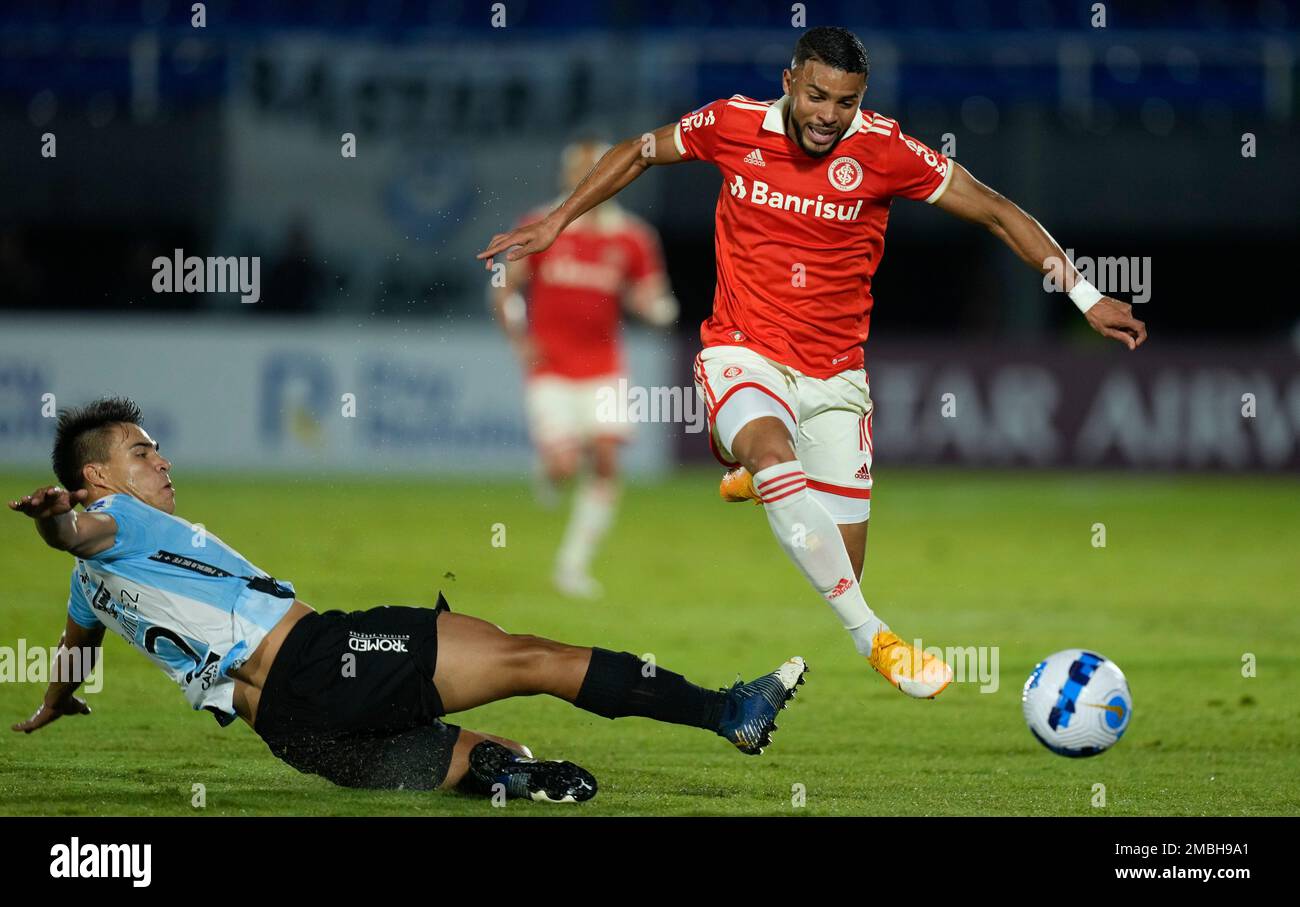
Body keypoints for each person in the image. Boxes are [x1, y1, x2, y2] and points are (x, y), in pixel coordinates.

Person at [478, 26, 1147, 699]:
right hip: (744, 350)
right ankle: (875, 636)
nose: (830, 115)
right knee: (775, 458)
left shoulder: (885, 150)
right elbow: (639, 151)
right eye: (819, 95)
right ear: (790, 80)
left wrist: (1085, 294)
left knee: (838, 560)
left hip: (836, 375)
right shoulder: (731, 123)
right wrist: (559, 220)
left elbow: (998, 211)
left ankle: (753, 468)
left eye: (847, 102)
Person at [9, 397, 807, 803]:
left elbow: (77, 638)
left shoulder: (94, 581)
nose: (163, 462)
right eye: (144, 452)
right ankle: (726, 712)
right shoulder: (120, 521)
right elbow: (79, 532)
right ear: (101, 479)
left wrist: (55, 701)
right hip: (321, 662)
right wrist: (59, 518)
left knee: (494, 749)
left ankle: (509, 779)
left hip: (293, 738)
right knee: (532, 657)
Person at [490, 137, 679, 599]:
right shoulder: (540, 225)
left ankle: (572, 566)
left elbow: (648, 291)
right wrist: (517, 337)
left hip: (603, 367)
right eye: (580, 172)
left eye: (597, 172)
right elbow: (504, 284)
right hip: (550, 366)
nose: (588, 180)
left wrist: (656, 308)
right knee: (564, 464)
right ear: (566, 176)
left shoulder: (632, 237)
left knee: (607, 460)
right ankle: (549, 470)